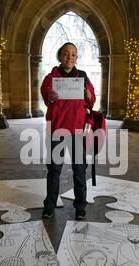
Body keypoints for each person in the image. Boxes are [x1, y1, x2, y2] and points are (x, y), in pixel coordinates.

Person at [41, 42, 96, 221]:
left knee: (79, 171)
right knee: (54, 170)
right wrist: (50, 96)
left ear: (76, 58)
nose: (69, 57)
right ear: (60, 56)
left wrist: (89, 96)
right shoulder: (51, 78)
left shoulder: (83, 77)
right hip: (56, 129)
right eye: (66, 54)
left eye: (73, 54)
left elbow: (91, 100)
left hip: (78, 130)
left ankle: (80, 207)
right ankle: (49, 205)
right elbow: (46, 93)